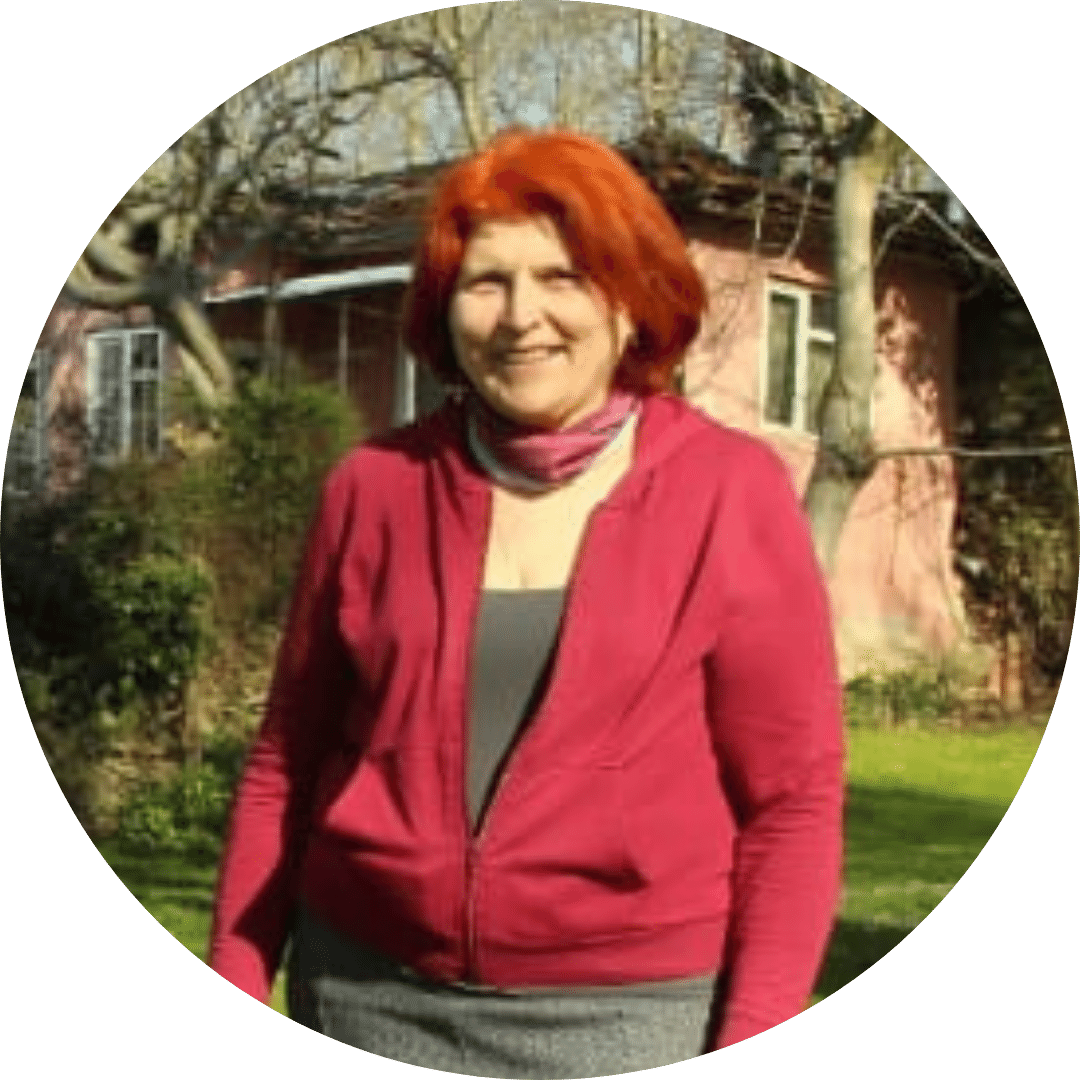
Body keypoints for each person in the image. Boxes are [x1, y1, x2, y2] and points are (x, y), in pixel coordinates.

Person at [209, 128, 844, 1077]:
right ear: (446, 309)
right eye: (486, 282)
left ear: (629, 302)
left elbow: (792, 803)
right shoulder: (373, 489)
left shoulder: (730, 492)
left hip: (631, 1018)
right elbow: (285, 762)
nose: (520, 316)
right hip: (360, 992)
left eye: (561, 277)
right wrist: (233, 977)